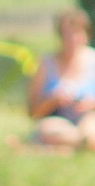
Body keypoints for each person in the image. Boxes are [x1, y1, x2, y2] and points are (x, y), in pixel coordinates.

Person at [26, 10, 95, 151]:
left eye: (77, 35)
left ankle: (58, 148)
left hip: (87, 117)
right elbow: (32, 111)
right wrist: (53, 100)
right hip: (56, 119)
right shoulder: (45, 64)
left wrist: (89, 103)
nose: (72, 41)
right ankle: (81, 144)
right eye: (67, 35)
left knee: (90, 130)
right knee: (50, 130)